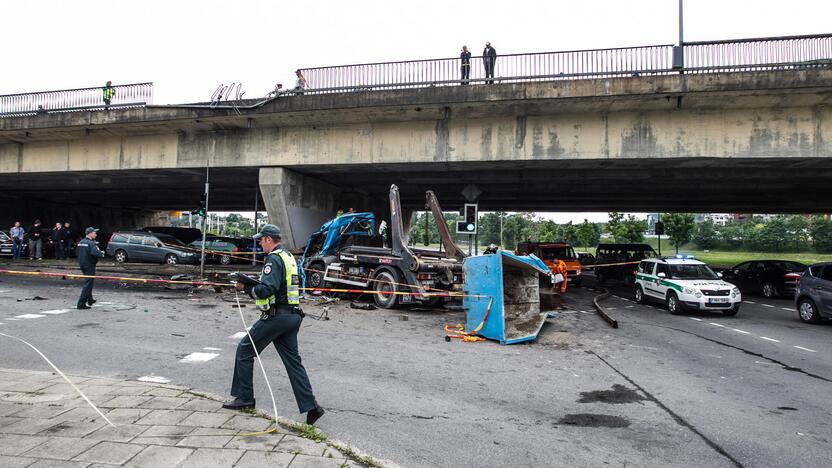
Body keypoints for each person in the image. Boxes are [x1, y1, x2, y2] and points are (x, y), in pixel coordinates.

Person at [224, 224, 325, 426]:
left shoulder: (273, 259)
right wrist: (253, 283)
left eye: (261, 239)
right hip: (292, 316)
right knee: (294, 364)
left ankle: (245, 398)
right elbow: (281, 285)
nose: (259, 243)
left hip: (276, 317)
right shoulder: (288, 256)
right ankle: (312, 408)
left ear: (269, 239)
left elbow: (267, 290)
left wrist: (246, 288)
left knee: (244, 350)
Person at [76, 227, 105, 309]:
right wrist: (102, 253)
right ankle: (81, 303)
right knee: (88, 284)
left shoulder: (81, 242)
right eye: (94, 232)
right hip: (89, 265)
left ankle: (90, 299)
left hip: (82, 265)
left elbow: (77, 253)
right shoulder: (92, 243)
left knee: (88, 282)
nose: (96, 234)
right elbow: (97, 254)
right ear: (90, 234)